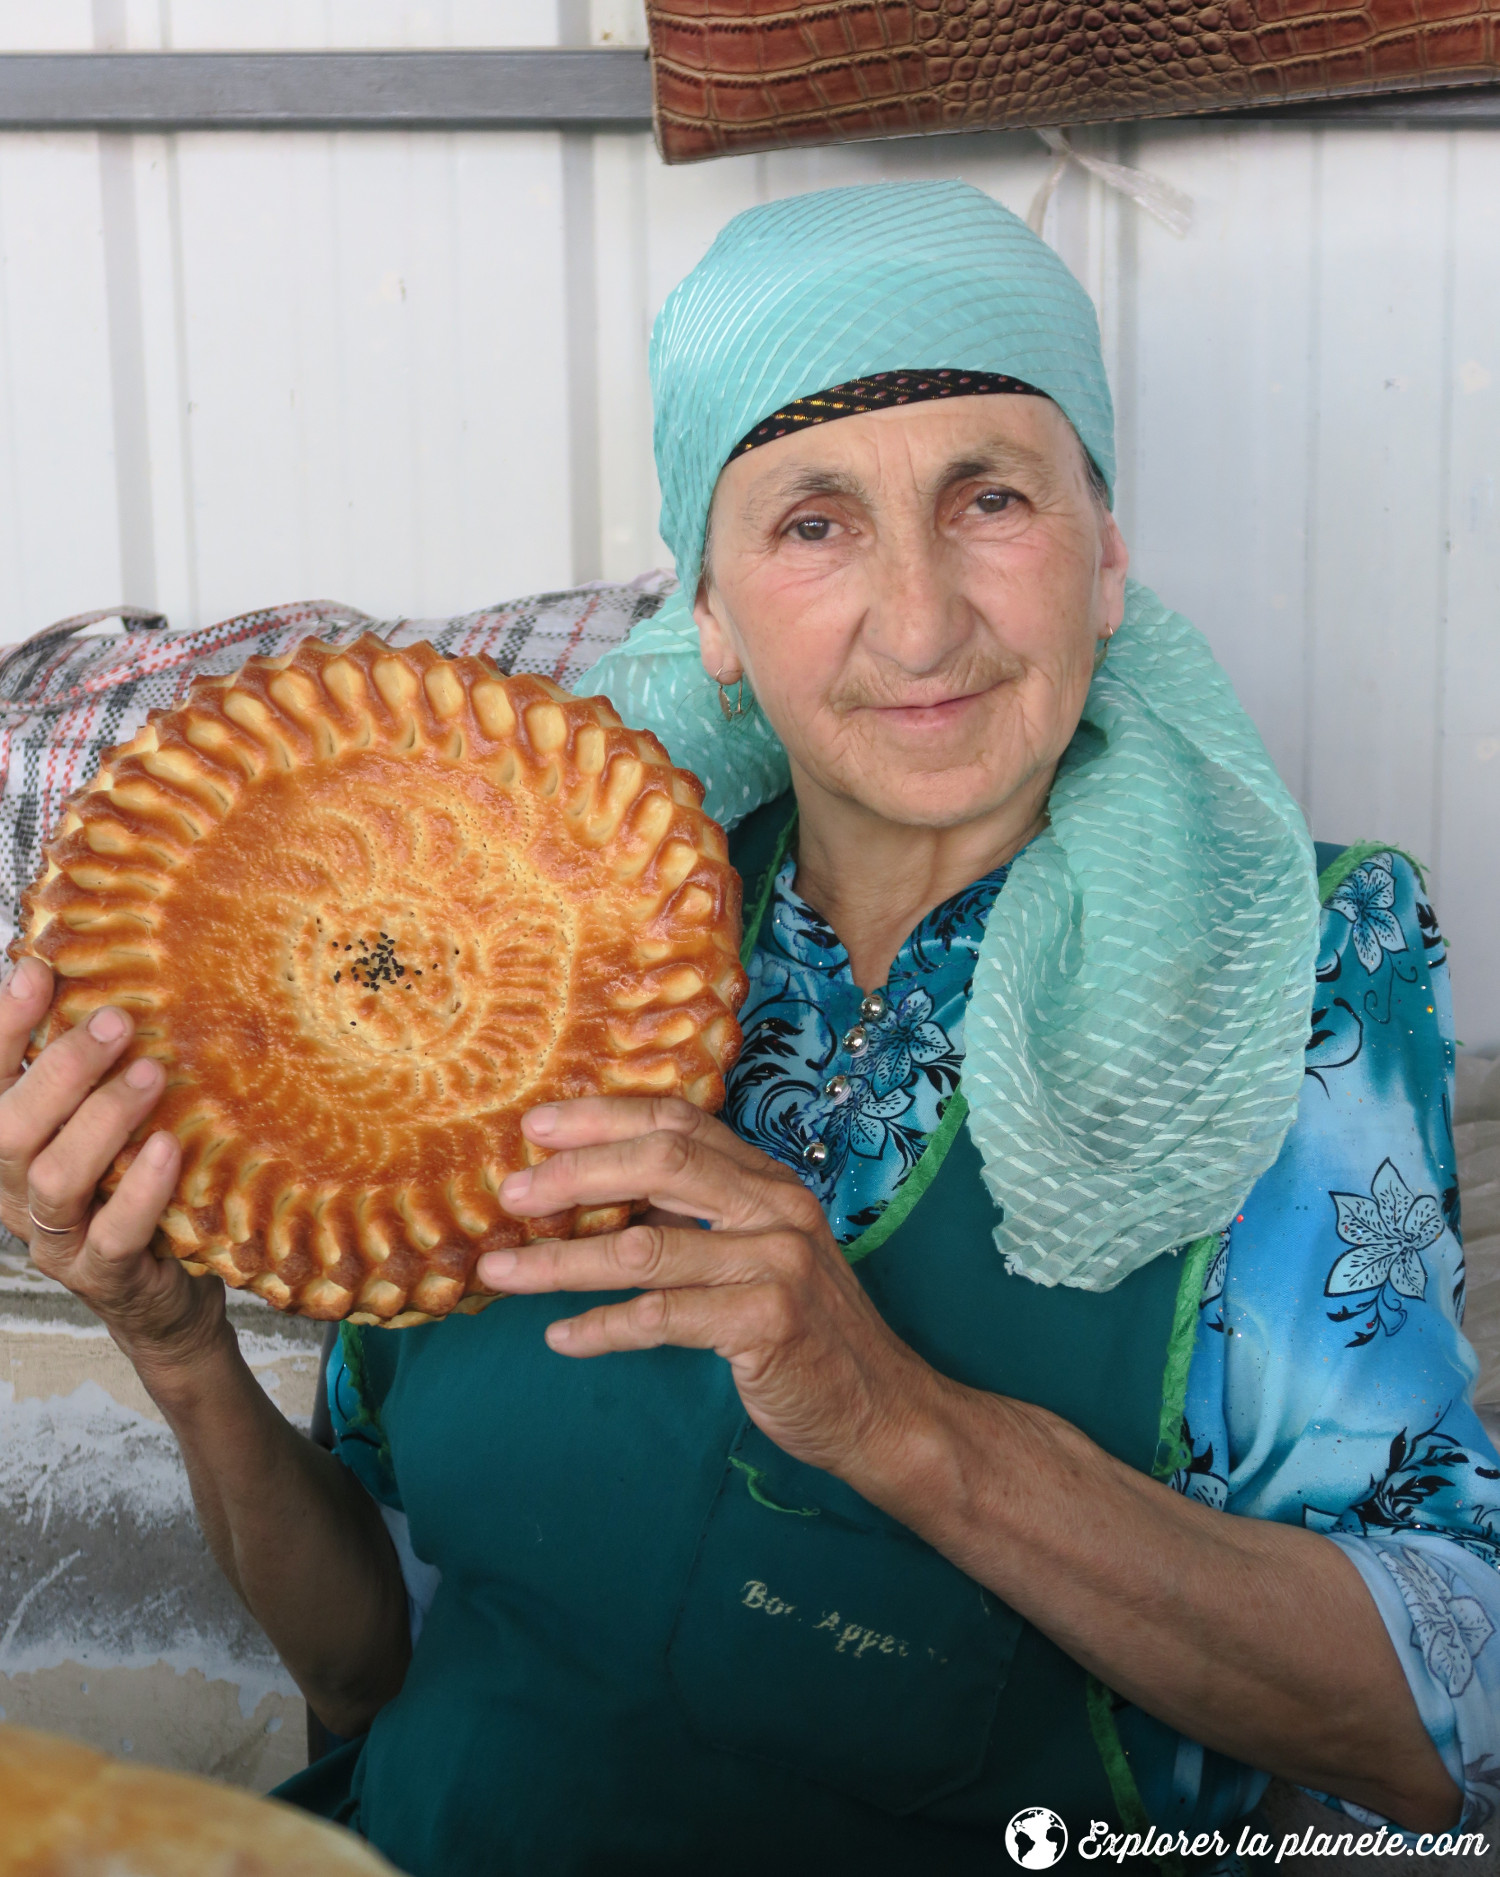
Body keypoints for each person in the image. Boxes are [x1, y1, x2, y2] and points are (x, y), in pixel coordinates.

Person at [2, 180, 1494, 1875]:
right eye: (813, 524)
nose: (921, 620)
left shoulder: (1284, 969)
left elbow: (1444, 1719)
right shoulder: (542, 962)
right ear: (705, 607)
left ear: (1106, 558)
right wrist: (183, 1350)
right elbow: (371, 1662)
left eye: (990, 496)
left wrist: (901, 1423)